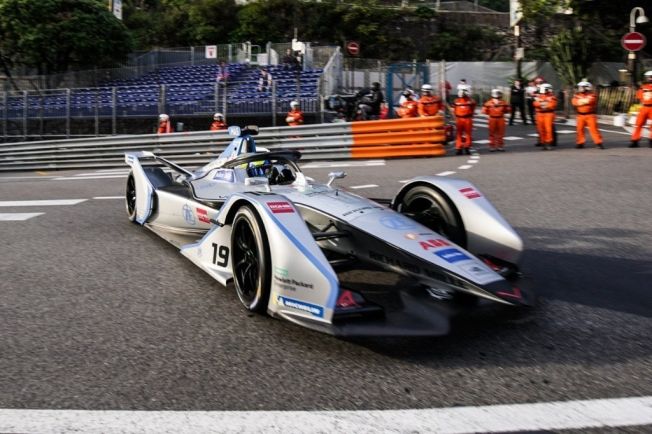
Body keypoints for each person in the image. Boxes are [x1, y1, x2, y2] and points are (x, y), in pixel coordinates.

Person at [571, 81, 603, 149]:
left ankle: (598, 142)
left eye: (581, 87)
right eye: (579, 87)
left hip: (590, 115)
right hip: (580, 115)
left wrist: (580, 102)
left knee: (594, 130)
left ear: (586, 88)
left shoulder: (592, 95)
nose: (579, 89)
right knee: (579, 129)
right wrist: (583, 101)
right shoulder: (577, 95)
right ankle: (580, 143)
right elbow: (574, 102)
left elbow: (589, 101)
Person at [451, 85, 476, 155]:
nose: (462, 92)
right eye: (461, 91)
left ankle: (467, 147)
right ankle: (459, 148)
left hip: (468, 119)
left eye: (463, 91)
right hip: (459, 119)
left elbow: (473, 109)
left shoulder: (471, 101)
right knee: (459, 134)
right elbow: (453, 110)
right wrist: (454, 118)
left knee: (468, 134)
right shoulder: (456, 101)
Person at [629, 70, 652, 148]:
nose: (649, 79)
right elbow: (639, 97)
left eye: (650, 77)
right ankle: (635, 140)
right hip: (644, 107)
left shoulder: (643, 87)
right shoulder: (643, 87)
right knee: (638, 124)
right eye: (648, 77)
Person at [533, 83, 557, 150]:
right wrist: (544, 104)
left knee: (548, 129)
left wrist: (541, 104)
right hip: (540, 114)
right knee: (541, 129)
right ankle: (543, 142)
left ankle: (548, 143)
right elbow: (535, 103)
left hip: (548, 114)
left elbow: (552, 105)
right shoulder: (539, 96)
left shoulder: (552, 97)